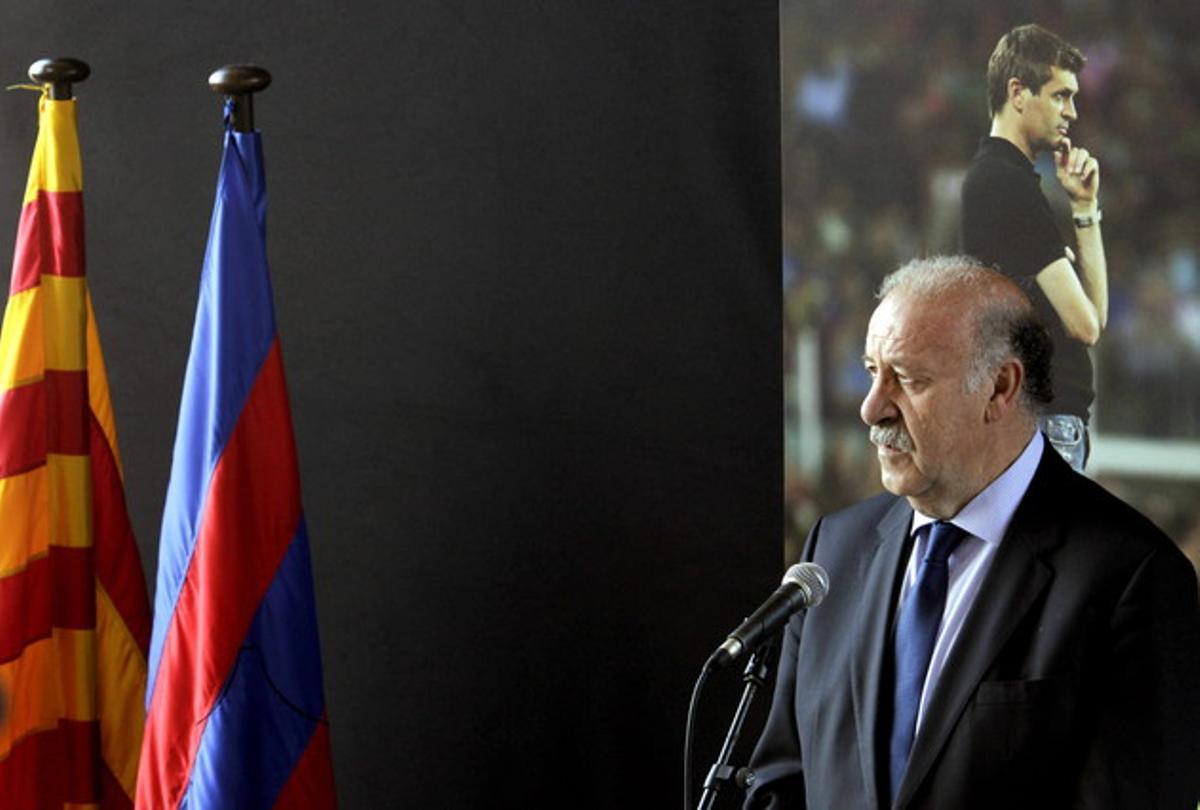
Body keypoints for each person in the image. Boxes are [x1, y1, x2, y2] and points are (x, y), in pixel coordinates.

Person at [743, 256, 1199, 809]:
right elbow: (779, 781)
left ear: (1000, 387)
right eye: (871, 372)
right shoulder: (834, 554)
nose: (871, 408)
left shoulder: (1130, 577)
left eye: (908, 380)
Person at [961, 23, 1107, 471]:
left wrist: (1085, 208)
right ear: (1018, 92)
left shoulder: (1009, 179)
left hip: (1042, 425)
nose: (1072, 112)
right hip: (1042, 426)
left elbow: (1095, 319)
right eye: (1061, 95)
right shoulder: (1004, 184)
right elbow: (1084, 327)